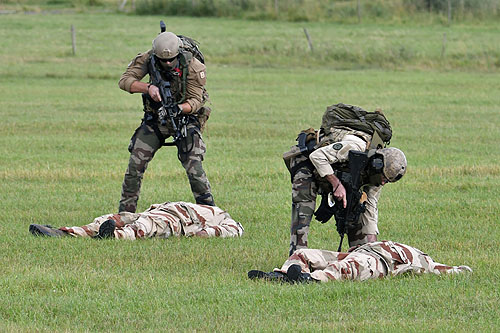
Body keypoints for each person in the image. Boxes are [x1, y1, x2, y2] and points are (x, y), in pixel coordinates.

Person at [118, 30, 214, 213]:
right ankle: (125, 214)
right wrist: (148, 88)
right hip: (156, 119)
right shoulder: (148, 58)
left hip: (185, 119)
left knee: (194, 167)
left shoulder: (194, 66)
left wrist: (179, 109)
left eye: (172, 60)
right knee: (134, 166)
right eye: (164, 60)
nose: (168, 63)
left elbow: (196, 100)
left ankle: (210, 213)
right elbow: (124, 81)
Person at [287, 125, 407, 256]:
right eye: (384, 178)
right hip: (308, 161)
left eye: (387, 181)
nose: (383, 182)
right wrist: (336, 184)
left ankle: (359, 259)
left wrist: (374, 250)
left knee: (354, 210)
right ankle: (296, 259)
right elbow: (317, 157)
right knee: (304, 210)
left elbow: (370, 209)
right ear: (378, 165)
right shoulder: (354, 146)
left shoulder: (378, 178)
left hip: (335, 171)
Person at [248, 240, 472, 283]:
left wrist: (461, 270)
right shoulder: (404, 247)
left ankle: (309, 279)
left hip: (378, 264)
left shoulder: (425, 263)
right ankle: (283, 274)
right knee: (305, 254)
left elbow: (447, 270)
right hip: (360, 251)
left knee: (344, 269)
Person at [29, 202, 243, 240]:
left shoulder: (228, 222)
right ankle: (65, 232)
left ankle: (113, 237)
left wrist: (203, 234)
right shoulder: (216, 211)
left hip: (174, 222)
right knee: (110, 218)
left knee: (142, 229)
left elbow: (233, 230)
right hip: (154, 211)